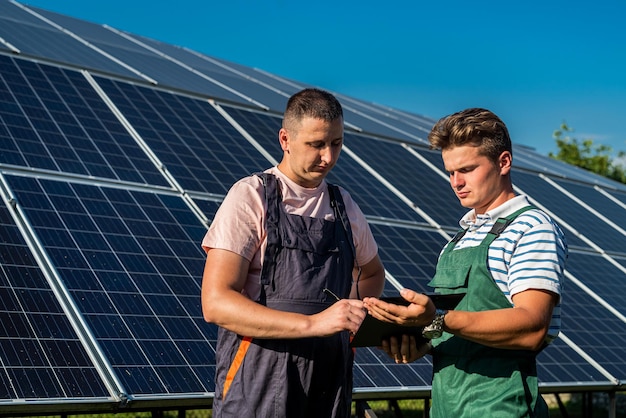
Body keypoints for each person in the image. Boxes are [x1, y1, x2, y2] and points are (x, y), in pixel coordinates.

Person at [364, 108, 567, 417]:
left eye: (468, 169)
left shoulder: (531, 228)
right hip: (446, 406)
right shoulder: (458, 239)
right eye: (450, 172)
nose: (456, 182)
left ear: (504, 162)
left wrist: (436, 321)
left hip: (501, 407)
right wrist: (419, 339)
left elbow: (532, 327)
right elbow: (458, 323)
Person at [201, 88, 386, 417]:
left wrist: (357, 319)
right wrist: (313, 323)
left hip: (329, 376)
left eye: (336, 143)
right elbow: (216, 303)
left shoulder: (345, 205)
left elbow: (371, 273)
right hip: (257, 373)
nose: (327, 157)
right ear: (285, 139)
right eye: (316, 145)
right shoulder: (251, 196)